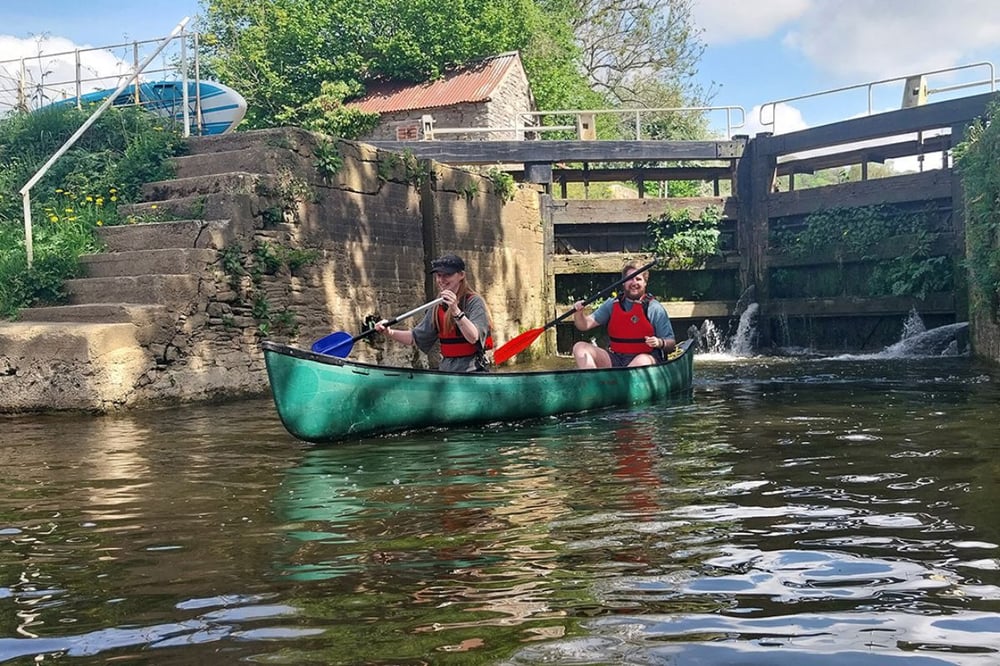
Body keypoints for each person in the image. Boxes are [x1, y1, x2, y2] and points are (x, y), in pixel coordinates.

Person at [375, 253, 494, 372]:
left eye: (448, 275)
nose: (442, 280)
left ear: (461, 275)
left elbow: (473, 337)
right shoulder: (437, 306)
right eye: (439, 275)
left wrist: (455, 310)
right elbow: (415, 338)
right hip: (447, 370)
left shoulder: (474, 302)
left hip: (472, 370)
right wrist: (389, 332)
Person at [571, 262, 675, 369]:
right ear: (623, 283)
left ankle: (620, 382)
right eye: (630, 278)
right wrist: (578, 313)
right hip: (617, 359)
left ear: (645, 283)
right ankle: (594, 383)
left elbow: (671, 344)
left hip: (647, 359)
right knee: (579, 347)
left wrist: (659, 342)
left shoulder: (654, 308)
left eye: (638, 279)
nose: (634, 283)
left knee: (642, 360)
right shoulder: (612, 304)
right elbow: (584, 325)